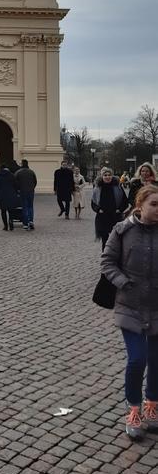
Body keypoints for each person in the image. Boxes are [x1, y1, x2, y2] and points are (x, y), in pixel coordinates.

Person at [101, 185, 158, 439]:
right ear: (140, 205)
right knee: (138, 358)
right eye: (154, 204)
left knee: (157, 360)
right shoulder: (122, 230)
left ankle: (152, 405)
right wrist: (122, 282)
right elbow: (107, 262)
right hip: (130, 305)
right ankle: (133, 408)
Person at [91, 167, 126, 250]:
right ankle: (105, 256)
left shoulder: (118, 187)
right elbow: (93, 203)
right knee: (105, 239)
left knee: (117, 238)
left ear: (112, 176)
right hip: (103, 217)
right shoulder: (98, 188)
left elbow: (125, 201)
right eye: (105, 175)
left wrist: (120, 209)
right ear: (102, 176)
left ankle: (117, 255)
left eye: (109, 175)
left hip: (115, 216)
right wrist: (98, 209)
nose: (107, 177)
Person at [0, 164, 18, 231]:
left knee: (3, 211)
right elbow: (16, 185)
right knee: (11, 211)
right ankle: (11, 224)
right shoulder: (12, 175)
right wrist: (16, 193)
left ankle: (5, 226)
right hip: (11, 195)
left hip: (2, 196)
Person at [15, 159, 37, 230]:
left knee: (24, 207)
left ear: (22, 164)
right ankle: (31, 221)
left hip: (22, 191)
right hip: (31, 191)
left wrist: (18, 189)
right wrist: (32, 188)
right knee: (30, 206)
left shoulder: (18, 172)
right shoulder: (31, 172)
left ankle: (25, 223)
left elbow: (15, 182)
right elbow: (35, 181)